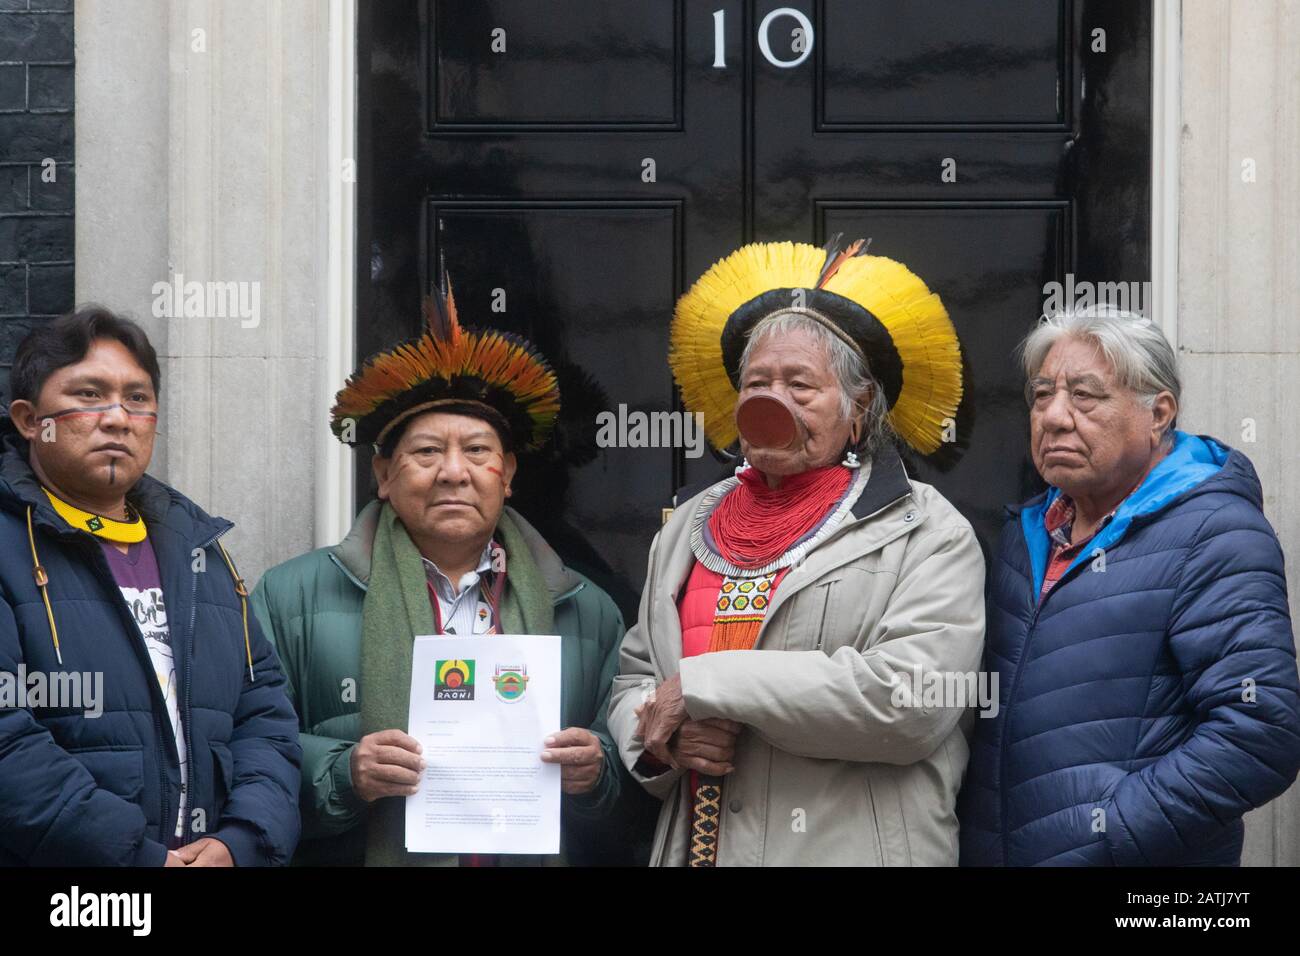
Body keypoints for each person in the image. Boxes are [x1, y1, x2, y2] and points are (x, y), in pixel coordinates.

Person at [609, 238, 986, 865]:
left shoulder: (926, 530)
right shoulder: (685, 529)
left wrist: (703, 684)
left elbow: (914, 699)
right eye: (757, 383)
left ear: (859, 407)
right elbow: (636, 680)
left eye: (800, 384)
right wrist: (661, 742)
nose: (772, 400)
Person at [252, 278, 632, 865]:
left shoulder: (584, 607)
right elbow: (248, 750)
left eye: (477, 452)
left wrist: (597, 773)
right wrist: (342, 771)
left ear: (506, 475)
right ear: (383, 475)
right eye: (427, 452)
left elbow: (635, 783)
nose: (454, 472)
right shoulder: (291, 597)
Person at [957, 308, 1300, 865]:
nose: (1055, 417)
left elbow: (1259, 733)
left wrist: (1104, 834)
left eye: (1085, 396)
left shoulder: (1216, 534)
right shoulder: (1026, 534)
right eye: (1042, 395)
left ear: (1158, 413)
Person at [0, 306, 301, 866]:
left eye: (137, 398)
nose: (118, 417)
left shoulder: (200, 552)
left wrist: (242, 841)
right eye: (89, 395)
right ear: (27, 419)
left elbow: (264, 713)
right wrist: (136, 856)